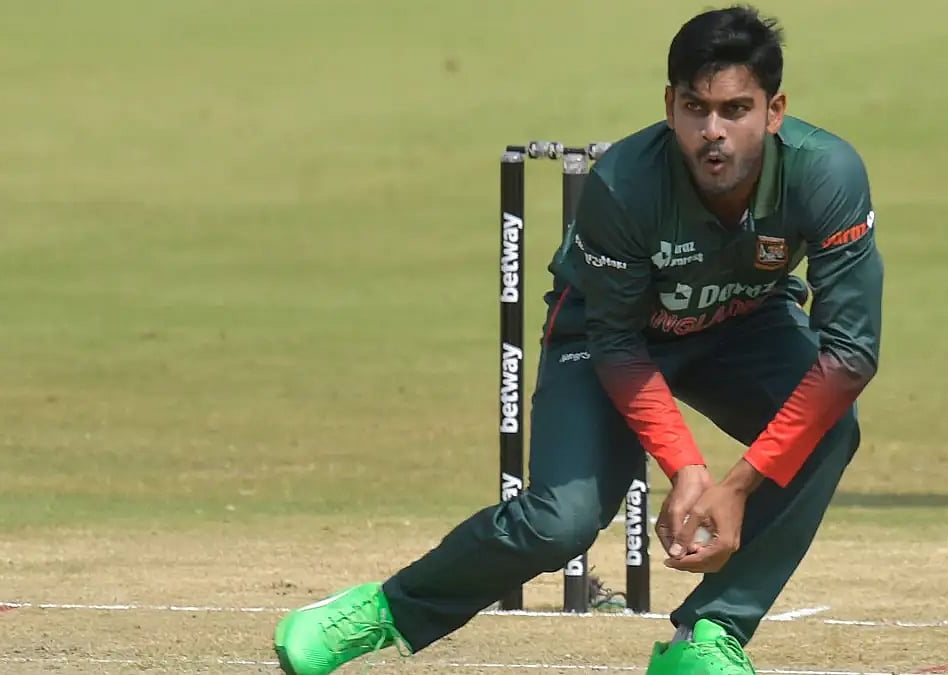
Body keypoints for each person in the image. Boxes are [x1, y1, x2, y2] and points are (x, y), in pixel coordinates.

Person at [272, 5, 884, 674]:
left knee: (830, 427)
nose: (714, 132)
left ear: (774, 110)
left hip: (745, 325)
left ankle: (706, 636)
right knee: (559, 521)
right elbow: (619, 343)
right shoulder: (623, 183)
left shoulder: (827, 174)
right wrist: (685, 466)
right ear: (670, 106)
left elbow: (848, 355)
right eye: (695, 107)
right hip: (605, 339)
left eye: (736, 109)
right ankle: (382, 610)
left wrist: (735, 486)